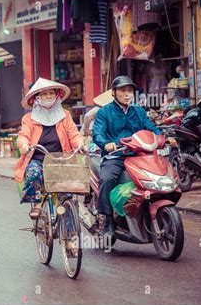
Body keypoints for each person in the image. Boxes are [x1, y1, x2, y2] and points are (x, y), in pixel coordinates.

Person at [92, 76, 176, 237]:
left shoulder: (138, 110)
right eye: (123, 90)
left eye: (129, 90)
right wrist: (106, 143)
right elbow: (97, 133)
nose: (127, 94)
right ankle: (107, 218)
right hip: (116, 156)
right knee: (107, 179)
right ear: (114, 93)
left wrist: (164, 138)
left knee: (156, 176)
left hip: (139, 155)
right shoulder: (105, 112)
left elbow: (151, 127)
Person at [15, 77, 85, 219]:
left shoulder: (65, 115)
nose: (48, 97)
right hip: (38, 160)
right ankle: (37, 203)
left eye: (51, 93)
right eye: (44, 94)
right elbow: (24, 135)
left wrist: (80, 144)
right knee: (34, 174)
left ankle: (70, 237)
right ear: (37, 98)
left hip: (62, 160)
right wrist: (23, 145)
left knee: (67, 198)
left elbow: (74, 134)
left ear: (56, 95)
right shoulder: (29, 118)